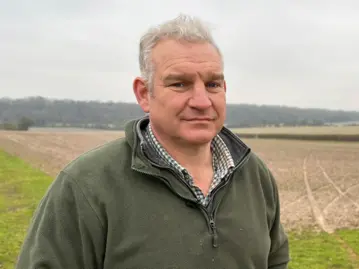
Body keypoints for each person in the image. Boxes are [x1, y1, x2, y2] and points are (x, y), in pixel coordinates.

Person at [15, 14, 290, 269]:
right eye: (179, 84)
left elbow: (275, 260)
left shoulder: (254, 174)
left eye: (213, 84)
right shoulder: (86, 186)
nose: (202, 101)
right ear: (144, 93)